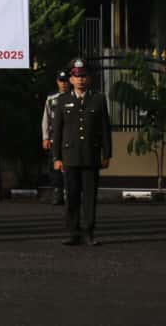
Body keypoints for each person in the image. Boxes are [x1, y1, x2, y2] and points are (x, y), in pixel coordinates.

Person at [54, 58, 112, 246]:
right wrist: (57, 157)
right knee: (71, 196)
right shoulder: (63, 100)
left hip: (90, 155)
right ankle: (73, 232)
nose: (80, 80)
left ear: (89, 78)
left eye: (83, 76)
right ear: (71, 79)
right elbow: (57, 131)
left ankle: (89, 231)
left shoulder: (98, 99)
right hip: (70, 156)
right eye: (76, 77)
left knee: (89, 196)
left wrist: (107, 153)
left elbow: (104, 129)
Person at [42, 70, 70, 206]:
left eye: (65, 81)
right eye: (61, 81)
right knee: (54, 166)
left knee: (69, 165)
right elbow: (46, 118)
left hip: (70, 138)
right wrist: (45, 137)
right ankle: (57, 192)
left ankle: (69, 192)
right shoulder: (51, 98)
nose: (63, 84)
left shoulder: (74, 96)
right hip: (54, 138)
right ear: (57, 81)